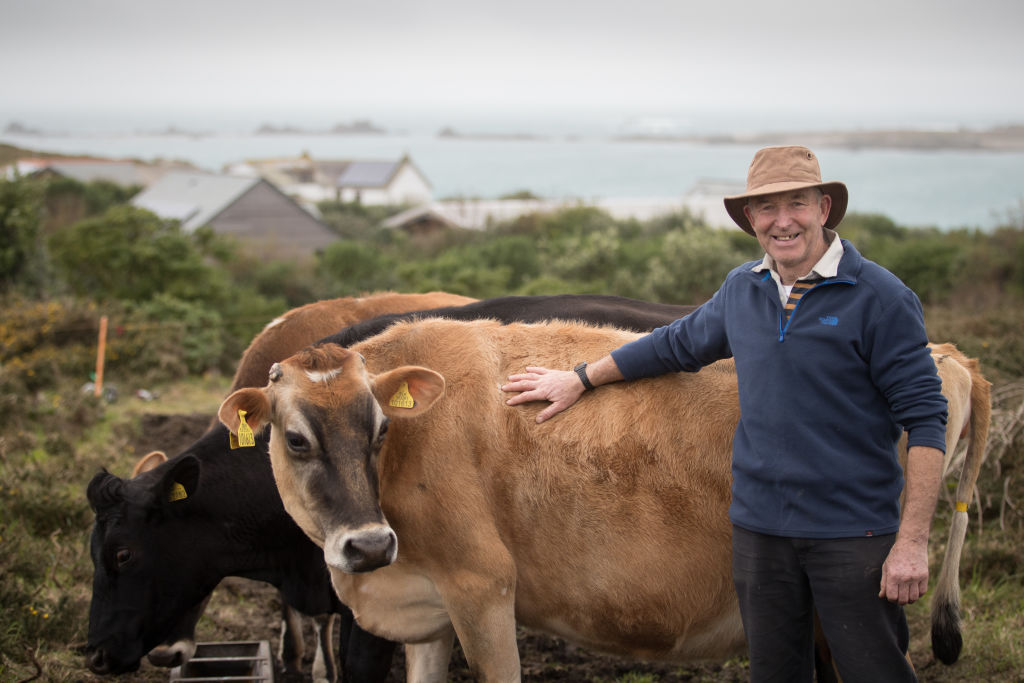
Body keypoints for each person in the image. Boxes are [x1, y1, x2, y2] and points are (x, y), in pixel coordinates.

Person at [501, 145, 948, 682]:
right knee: (776, 672)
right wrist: (578, 377)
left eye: (797, 204)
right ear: (751, 220)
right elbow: (672, 345)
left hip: (852, 535)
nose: (783, 222)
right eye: (767, 209)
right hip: (761, 532)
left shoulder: (881, 297)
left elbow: (926, 421)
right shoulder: (745, 288)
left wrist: (913, 543)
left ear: (824, 209)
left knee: (874, 671)